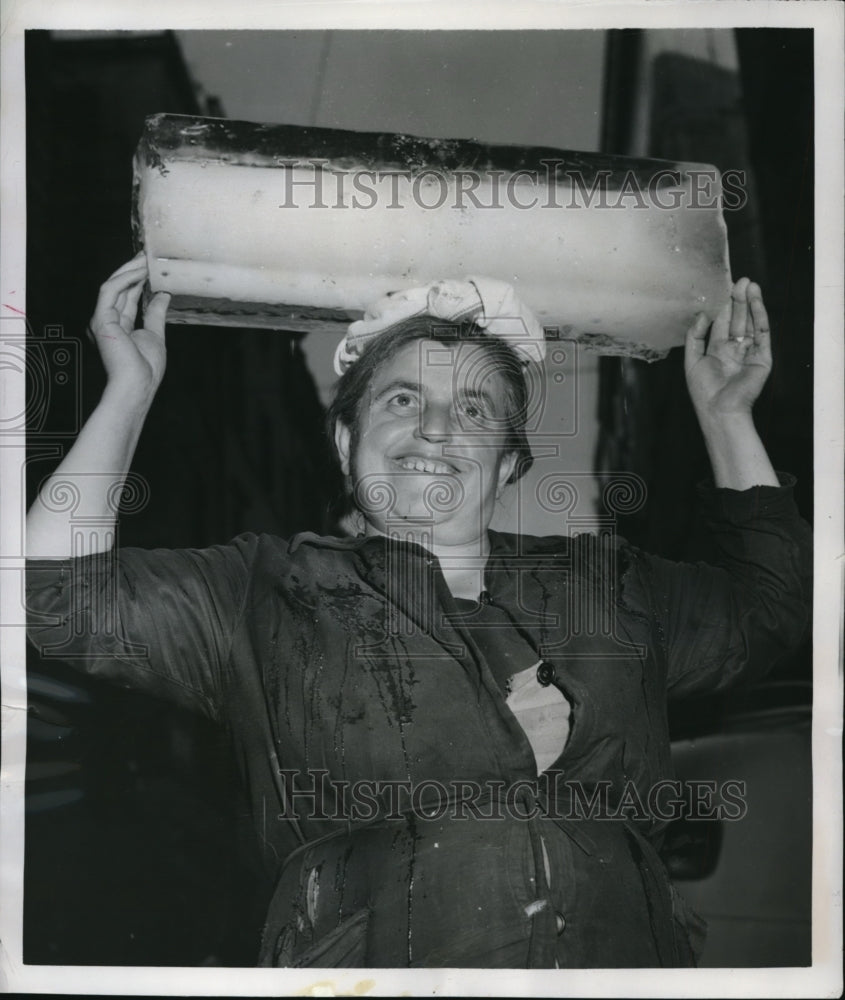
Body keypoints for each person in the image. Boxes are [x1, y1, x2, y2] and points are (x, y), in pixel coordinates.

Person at [26, 254, 811, 968]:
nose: (435, 427)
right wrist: (128, 389)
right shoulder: (260, 589)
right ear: (345, 441)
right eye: (403, 399)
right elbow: (50, 594)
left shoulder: (608, 586)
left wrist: (726, 415)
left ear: (506, 464)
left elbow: (773, 608)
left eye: (473, 411)